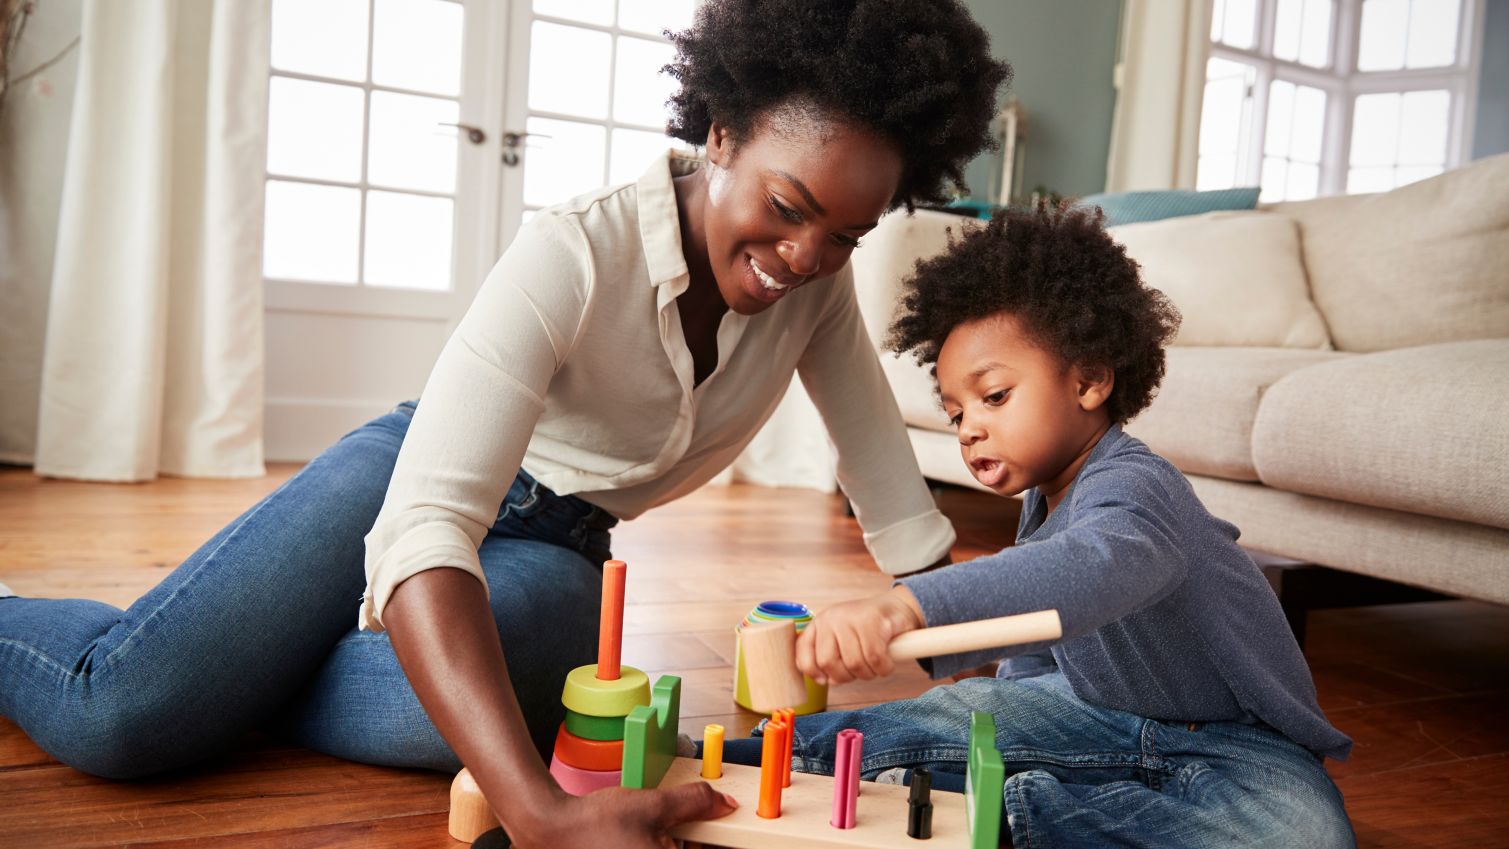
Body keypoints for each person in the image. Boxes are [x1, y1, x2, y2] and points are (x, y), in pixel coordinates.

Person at [0, 1, 1010, 846]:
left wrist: (1001, 673)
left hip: (559, 551)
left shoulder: (816, 299)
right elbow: (426, 522)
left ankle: (220, 671)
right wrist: (532, 811)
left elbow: (900, 512)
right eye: (787, 207)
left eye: (845, 235)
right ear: (723, 132)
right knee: (122, 717)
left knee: (446, 716)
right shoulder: (575, 250)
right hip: (407, 483)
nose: (804, 256)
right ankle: (148, 663)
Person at [722, 205, 1357, 848]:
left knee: (1305, 835)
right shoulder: (1043, 503)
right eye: (955, 413)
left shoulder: (1138, 491)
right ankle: (744, 763)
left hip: (1238, 747)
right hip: (1094, 715)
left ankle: (1016, 818)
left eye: (994, 396)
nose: (969, 426)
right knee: (956, 716)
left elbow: (1087, 572)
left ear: (1090, 380)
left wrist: (907, 609)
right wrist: (1004, 715)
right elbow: (1034, 650)